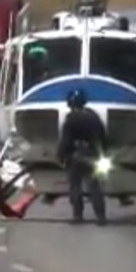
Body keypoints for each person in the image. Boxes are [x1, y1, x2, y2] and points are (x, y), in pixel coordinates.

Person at [56, 89, 108, 225]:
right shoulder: (93, 117)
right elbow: (103, 137)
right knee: (94, 187)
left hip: (76, 156)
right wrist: (102, 153)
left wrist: (61, 156)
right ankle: (101, 216)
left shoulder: (70, 119)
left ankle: (78, 216)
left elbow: (65, 141)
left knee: (75, 186)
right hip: (92, 155)